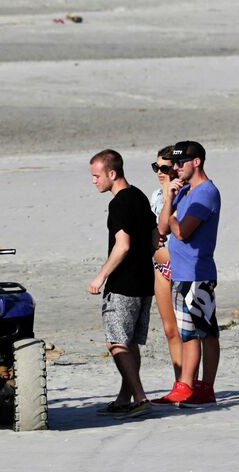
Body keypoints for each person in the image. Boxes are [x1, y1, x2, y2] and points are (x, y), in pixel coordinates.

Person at [88, 149, 157, 419]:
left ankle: (140, 397)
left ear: (112, 173)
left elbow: (123, 245)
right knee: (130, 343)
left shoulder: (118, 204)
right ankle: (124, 397)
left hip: (123, 284)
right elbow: (155, 237)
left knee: (116, 342)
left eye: (96, 176)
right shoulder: (139, 196)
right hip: (144, 281)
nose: (94, 181)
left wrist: (100, 276)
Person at [156, 141, 221, 406]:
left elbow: (182, 232)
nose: (176, 168)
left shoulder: (205, 192)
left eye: (180, 163)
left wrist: (172, 219)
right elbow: (163, 228)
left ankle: (191, 387)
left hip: (197, 271)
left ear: (196, 162)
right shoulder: (183, 191)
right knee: (197, 331)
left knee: (197, 332)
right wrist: (170, 197)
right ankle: (195, 387)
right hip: (183, 272)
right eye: (174, 164)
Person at [149, 146, 183, 383]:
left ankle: (188, 382)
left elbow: (169, 228)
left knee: (185, 331)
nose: (160, 172)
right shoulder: (155, 196)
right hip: (159, 267)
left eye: (164, 167)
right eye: (156, 167)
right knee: (170, 330)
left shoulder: (182, 192)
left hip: (181, 267)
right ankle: (178, 380)